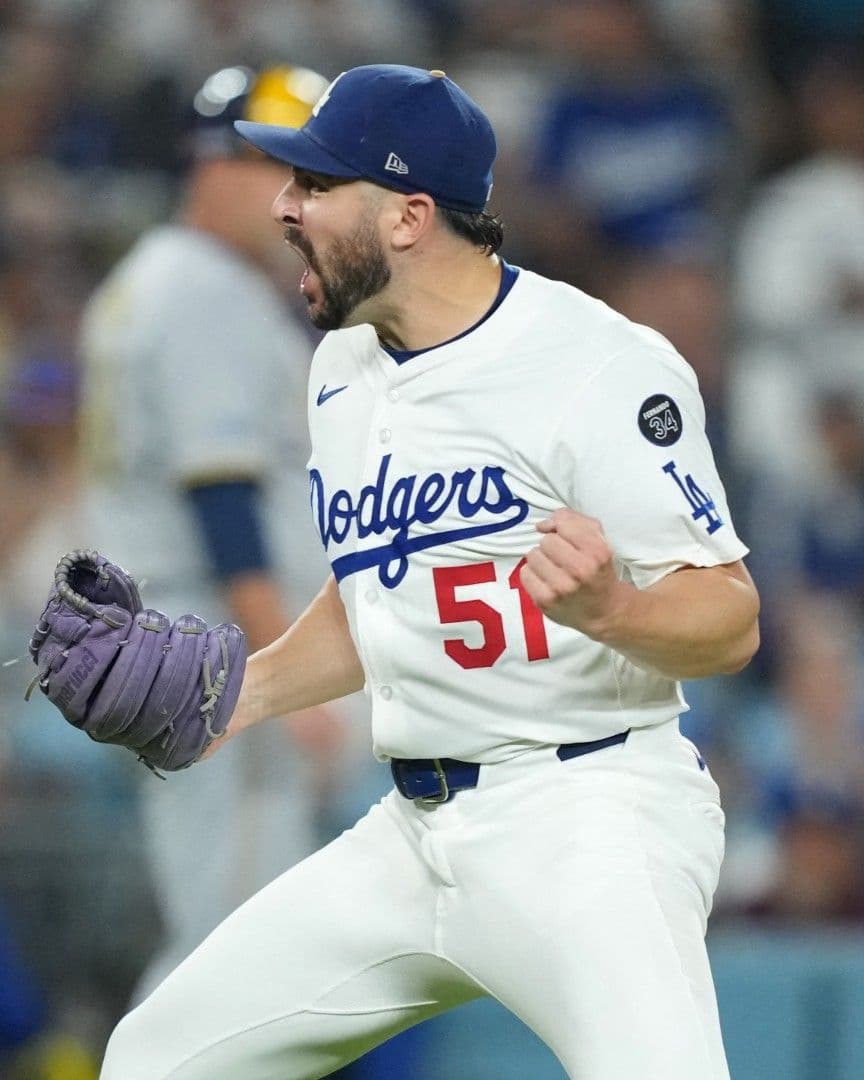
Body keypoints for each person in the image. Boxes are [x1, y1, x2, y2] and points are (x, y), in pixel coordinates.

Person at [93, 64, 759, 1079]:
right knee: (155, 1059)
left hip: (586, 815)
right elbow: (376, 594)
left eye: (316, 185)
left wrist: (613, 607)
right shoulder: (343, 365)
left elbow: (730, 618)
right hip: (410, 833)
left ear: (408, 217)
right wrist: (239, 694)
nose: (285, 203)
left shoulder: (597, 364)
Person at [77, 65, 349, 1002]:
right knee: (232, 950)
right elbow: (221, 500)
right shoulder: (203, 292)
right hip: (215, 646)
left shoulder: (156, 280)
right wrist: (283, 673)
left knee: (234, 936)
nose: (295, 202)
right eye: (278, 173)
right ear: (214, 168)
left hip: (179, 640)